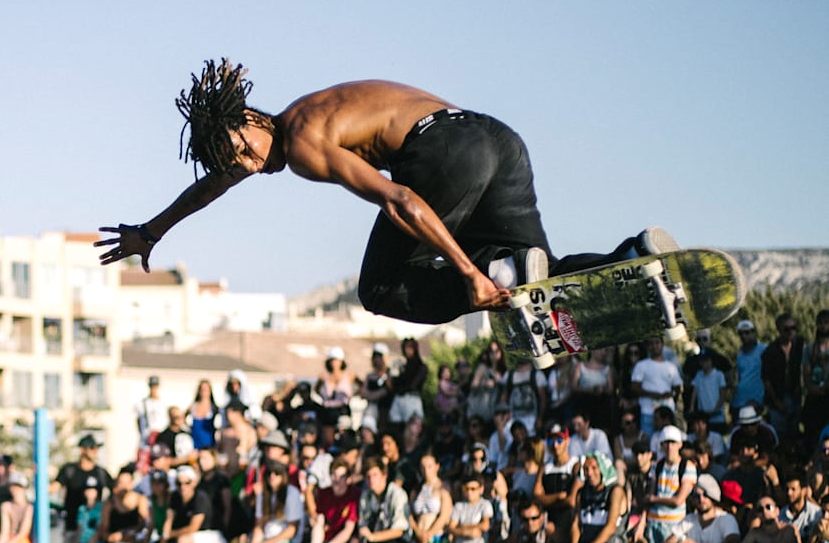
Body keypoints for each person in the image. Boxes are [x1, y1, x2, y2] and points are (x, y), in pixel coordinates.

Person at [97, 60, 674, 327]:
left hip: (442, 153)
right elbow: (211, 186)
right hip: (495, 139)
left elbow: (400, 202)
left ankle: (491, 271)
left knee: (379, 288)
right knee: (536, 279)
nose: (247, 167)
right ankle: (632, 259)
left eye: (243, 151)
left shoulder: (303, 142)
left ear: (250, 116)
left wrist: (466, 274)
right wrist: (152, 231)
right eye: (236, 165)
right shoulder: (294, 120)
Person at [50, 434, 113, 543]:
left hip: (93, 531)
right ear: (82, 450)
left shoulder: (100, 473)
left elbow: (115, 494)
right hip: (72, 527)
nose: (95, 451)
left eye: (96, 448)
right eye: (92, 448)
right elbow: (53, 488)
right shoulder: (70, 470)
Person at [761, 312, 803, 444]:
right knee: (779, 436)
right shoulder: (770, 352)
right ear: (779, 330)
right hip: (777, 398)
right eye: (787, 329)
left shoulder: (799, 344)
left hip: (795, 396)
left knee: (795, 433)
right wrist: (776, 401)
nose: (791, 332)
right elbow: (766, 379)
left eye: (793, 328)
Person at [631, 336, 683, 438]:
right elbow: (634, 387)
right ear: (647, 346)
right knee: (648, 442)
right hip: (648, 412)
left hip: (667, 413)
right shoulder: (641, 365)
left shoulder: (671, 366)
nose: (654, 346)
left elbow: (677, 387)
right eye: (651, 343)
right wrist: (653, 394)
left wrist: (671, 394)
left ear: (662, 344)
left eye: (657, 343)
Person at [802, 309, 829, 451]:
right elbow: (806, 373)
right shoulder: (810, 348)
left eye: (826, 322)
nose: (823, 326)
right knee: (812, 432)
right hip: (814, 396)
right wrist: (812, 388)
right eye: (821, 323)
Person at [730, 320, 766, 418]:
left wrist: (761, 400)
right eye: (741, 333)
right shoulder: (740, 355)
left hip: (756, 401)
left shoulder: (763, 349)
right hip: (738, 401)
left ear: (753, 333)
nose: (744, 336)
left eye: (747, 332)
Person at [187, 379, 220, 451]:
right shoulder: (192, 407)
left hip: (210, 443)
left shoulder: (214, 408)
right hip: (195, 443)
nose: (204, 392)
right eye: (202, 390)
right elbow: (182, 418)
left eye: (206, 390)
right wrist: (188, 429)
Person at [135, 375, 165, 452]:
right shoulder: (142, 403)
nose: (153, 388)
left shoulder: (163, 403)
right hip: (146, 441)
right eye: (152, 386)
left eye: (155, 386)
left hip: (160, 440)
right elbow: (138, 422)